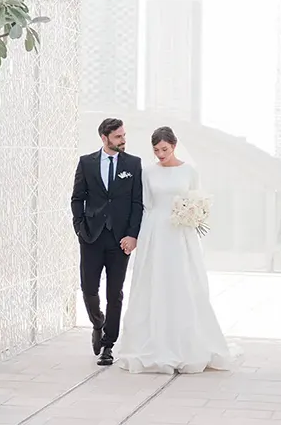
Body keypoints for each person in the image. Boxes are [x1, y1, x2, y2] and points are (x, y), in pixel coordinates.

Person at [114, 125, 242, 374]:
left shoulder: (189, 171)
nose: (160, 154)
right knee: (153, 282)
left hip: (181, 233)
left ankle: (188, 342)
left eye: (164, 149)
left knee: (183, 281)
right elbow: (145, 204)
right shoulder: (148, 172)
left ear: (174, 146)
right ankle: (151, 341)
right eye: (156, 150)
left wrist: (192, 216)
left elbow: (197, 199)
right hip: (155, 231)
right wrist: (138, 235)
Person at [70, 117, 144, 366]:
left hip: (120, 240)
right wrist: (79, 227)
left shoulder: (133, 164)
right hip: (91, 236)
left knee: (115, 293)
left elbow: (137, 203)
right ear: (104, 138)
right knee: (88, 289)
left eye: (124, 135)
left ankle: (109, 345)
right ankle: (98, 323)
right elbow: (77, 198)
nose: (123, 140)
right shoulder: (86, 163)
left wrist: (132, 235)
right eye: (118, 137)